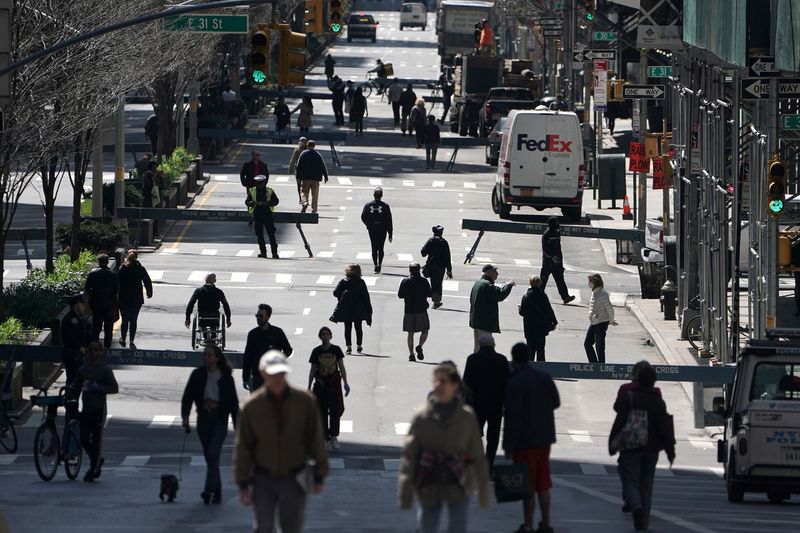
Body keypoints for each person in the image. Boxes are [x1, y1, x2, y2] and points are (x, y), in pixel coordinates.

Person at [234, 351, 328, 533]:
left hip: (294, 476)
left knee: (292, 527)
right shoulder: (252, 406)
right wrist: (242, 483)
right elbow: (243, 446)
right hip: (262, 478)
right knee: (263, 527)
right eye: (273, 372)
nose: (277, 377)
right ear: (263, 373)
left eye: (281, 372)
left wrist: (319, 474)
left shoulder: (305, 402)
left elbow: (315, 438)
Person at [398, 361, 491, 533]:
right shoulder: (422, 417)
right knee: (427, 527)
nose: (438, 385)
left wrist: (484, 491)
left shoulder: (466, 417)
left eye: (444, 381)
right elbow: (410, 455)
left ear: (455, 385)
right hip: (429, 482)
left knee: (457, 528)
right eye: (436, 381)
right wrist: (406, 491)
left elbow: (478, 455)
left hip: (459, 483)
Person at [609, 366, 676, 531]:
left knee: (630, 481)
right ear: (653, 381)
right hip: (652, 450)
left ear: (637, 378)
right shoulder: (658, 402)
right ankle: (643, 522)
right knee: (646, 485)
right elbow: (665, 428)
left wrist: (612, 443)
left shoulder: (629, 397)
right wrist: (670, 451)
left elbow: (619, 422)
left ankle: (636, 506)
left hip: (631, 448)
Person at [504, 342, 560, 533]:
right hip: (544, 438)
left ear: (513, 359)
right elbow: (556, 402)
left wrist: (508, 445)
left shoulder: (514, 382)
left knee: (528, 485)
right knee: (543, 483)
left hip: (524, 440)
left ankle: (527, 525)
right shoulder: (544, 377)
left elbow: (512, 417)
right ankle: (546, 523)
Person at [181, 343, 239, 504]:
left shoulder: (226, 377)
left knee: (213, 454)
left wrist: (238, 427)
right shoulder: (198, 374)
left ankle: (208, 490)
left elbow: (234, 404)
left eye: (209, 355)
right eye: (204, 355)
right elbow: (188, 396)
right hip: (203, 419)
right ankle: (217, 490)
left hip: (219, 418)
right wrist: (185, 417)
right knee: (210, 457)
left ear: (217, 358)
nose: (205, 358)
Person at [70, 340, 119, 482]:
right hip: (86, 409)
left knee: (96, 441)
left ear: (101, 352)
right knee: (84, 438)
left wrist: (99, 388)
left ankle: (94, 468)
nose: (93, 352)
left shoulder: (105, 370)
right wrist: (70, 395)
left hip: (99, 409)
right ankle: (96, 459)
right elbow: (75, 385)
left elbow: (114, 388)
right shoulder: (83, 370)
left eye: (96, 350)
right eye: (90, 349)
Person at [463, 334, 509, 470]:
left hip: (476, 404)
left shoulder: (472, 359)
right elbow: (507, 383)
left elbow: (466, 383)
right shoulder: (502, 360)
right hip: (496, 404)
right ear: (493, 345)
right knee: (493, 437)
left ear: (480, 344)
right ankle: (489, 465)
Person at [307, 327, 350, 451]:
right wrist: (309, 386)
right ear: (320, 336)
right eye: (323, 334)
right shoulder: (316, 351)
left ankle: (334, 436)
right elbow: (313, 370)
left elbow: (341, 367)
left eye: (327, 334)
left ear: (331, 336)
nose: (325, 336)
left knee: (335, 411)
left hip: (334, 384)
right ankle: (324, 437)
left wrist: (346, 383)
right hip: (321, 385)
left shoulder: (336, 350)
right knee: (321, 412)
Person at [242, 304, 293, 392]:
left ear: (268, 317)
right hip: (257, 376)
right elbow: (247, 357)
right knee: (258, 403)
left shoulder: (277, 332)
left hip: (273, 376)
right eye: (257, 316)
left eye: (261, 316)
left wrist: (278, 360)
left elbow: (288, 350)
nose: (258, 318)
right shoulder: (252, 334)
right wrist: (245, 378)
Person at [469, 264, 515, 352]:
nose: (497, 273)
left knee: (477, 348)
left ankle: (476, 364)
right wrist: (508, 286)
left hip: (476, 321)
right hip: (484, 322)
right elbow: (500, 295)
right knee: (486, 348)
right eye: (495, 271)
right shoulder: (487, 285)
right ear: (489, 272)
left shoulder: (478, 283)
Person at [331, 264, 373, 355]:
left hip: (346, 308)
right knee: (358, 327)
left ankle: (348, 347)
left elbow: (335, 293)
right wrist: (369, 309)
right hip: (358, 308)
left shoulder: (343, 281)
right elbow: (366, 296)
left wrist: (341, 297)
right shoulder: (361, 282)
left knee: (347, 327)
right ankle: (359, 345)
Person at [117, 251, 153, 349]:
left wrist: (115, 295)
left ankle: (123, 338)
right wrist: (149, 293)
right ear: (136, 258)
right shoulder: (140, 268)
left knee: (124, 319)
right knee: (133, 319)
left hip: (124, 297)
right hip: (137, 298)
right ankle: (132, 341)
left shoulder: (122, 268)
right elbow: (147, 281)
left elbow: (117, 283)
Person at [398, 263, 432, 362]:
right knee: (425, 330)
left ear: (410, 270)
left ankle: (411, 354)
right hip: (421, 309)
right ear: (419, 270)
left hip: (409, 309)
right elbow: (429, 294)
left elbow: (400, 295)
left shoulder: (405, 281)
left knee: (410, 333)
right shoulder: (424, 281)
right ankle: (420, 346)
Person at [518, 275, 558, 362]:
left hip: (529, 328)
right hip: (541, 327)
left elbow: (522, 312)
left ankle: (529, 369)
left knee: (530, 351)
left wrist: (519, 308)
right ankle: (541, 369)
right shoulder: (543, 295)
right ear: (539, 284)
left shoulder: (526, 296)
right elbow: (549, 310)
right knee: (541, 350)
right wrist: (554, 322)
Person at [184, 273, 232, 341]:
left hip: (202, 316)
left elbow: (191, 303)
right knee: (214, 322)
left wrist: (187, 318)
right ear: (214, 281)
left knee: (202, 321)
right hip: (215, 316)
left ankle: (205, 334)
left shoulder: (199, 291)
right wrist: (228, 319)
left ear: (205, 281)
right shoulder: (219, 292)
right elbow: (225, 305)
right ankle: (213, 334)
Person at [84, 254, 118, 349]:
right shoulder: (113, 275)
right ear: (107, 262)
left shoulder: (93, 273)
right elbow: (116, 291)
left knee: (96, 328)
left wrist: (89, 300)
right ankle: (107, 348)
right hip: (109, 305)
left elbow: (87, 288)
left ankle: (94, 348)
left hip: (96, 304)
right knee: (108, 328)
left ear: (98, 262)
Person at [540, 217, 575, 305]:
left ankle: (565, 297)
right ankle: (538, 297)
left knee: (560, 280)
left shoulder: (557, 233)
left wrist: (560, 262)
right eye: (556, 222)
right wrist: (552, 257)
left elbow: (559, 248)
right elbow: (545, 250)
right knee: (542, 281)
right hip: (548, 263)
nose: (558, 224)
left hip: (557, 263)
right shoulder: (546, 235)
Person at [246, 175, 280, 259]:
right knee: (259, 235)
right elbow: (247, 201)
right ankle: (263, 252)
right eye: (258, 183)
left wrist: (267, 203)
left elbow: (276, 201)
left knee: (271, 234)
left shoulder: (269, 191)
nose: (259, 185)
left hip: (267, 215)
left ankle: (274, 253)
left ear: (264, 183)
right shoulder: (253, 190)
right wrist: (254, 203)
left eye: (261, 183)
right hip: (257, 215)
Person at [360, 187, 393, 273]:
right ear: (382, 195)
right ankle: (380, 264)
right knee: (381, 247)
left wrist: (368, 224)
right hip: (382, 229)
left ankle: (375, 265)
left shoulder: (368, 205)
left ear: (373, 195)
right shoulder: (385, 206)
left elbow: (363, 216)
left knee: (374, 247)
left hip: (372, 229)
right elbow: (389, 220)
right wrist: (390, 233)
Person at [585, 273, 616, 364]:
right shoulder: (594, 292)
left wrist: (611, 320)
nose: (589, 283)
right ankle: (594, 364)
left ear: (596, 283)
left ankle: (601, 365)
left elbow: (609, 308)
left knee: (599, 346)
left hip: (601, 322)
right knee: (587, 344)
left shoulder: (602, 294)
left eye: (590, 281)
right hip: (594, 322)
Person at [420, 225, 452, 309]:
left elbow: (423, 252)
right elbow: (447, 257)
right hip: (441, 267)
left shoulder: (431, 241)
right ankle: (436, 301)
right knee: (438, 284)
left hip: (432, 266)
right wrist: (449, 270)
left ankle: (436, 301)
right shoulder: (444, 242)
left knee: (434, 283)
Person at [61, 294, 88, 384]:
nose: (84, 307)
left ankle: (71, 396)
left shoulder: (77, 318)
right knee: (73, 380)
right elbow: (72, 335)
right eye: (82, 304)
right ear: (76, 305)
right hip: (73, 355)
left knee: (77, 381)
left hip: (77, 355)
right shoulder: (71, 319)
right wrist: (80, 346)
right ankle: (70, 397)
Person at [296, 140, 329, 214]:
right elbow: (322, 166)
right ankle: (314, 210)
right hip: (316, 179)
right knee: (315, 195)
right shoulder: (317, 154)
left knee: (304, 192)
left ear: (307, 145)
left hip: (305, 178)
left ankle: (304, 203)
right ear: (314, 146)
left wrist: (298, 177)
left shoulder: (303, 154)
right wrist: (326, 176)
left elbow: (298, 166)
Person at [288, 137, 308, 203]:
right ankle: (302, 198)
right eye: (301, 141)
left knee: (302, 185)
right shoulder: (297, 150)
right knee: (300, 185)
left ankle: (303, 198)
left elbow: (293, 160)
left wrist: (291, 169)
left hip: (303, 170)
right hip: (299, 170)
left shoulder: (306, 150)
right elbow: (293, 160)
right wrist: (291, 169)